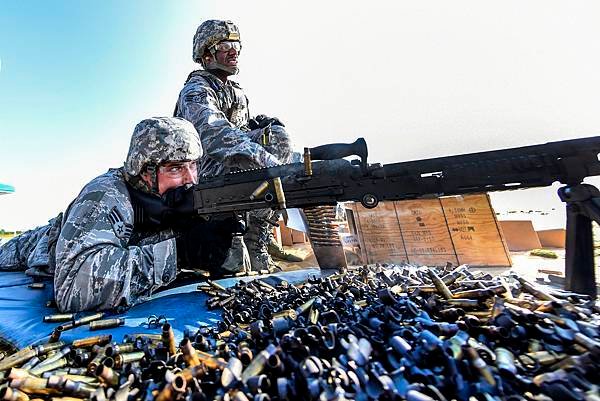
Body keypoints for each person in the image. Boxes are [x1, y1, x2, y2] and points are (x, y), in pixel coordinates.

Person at [0, 117, 243, 312]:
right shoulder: (105, 194)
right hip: (41, 245)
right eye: (176, 168)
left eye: (193, 165)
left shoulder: (175, 195)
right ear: (146, 172)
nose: (190, 179)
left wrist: (220, 238)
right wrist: (180, 253)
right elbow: (73, 288)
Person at [174, 19, 303, 272]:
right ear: (206, 54)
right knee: (232, 267)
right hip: (204, 176)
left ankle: (256, 237)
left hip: (233, 172)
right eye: (225, 45)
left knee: (278, 137)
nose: (234, 51)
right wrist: (274, 166)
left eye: (237, 45)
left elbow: (239, 133)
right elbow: (215, 135)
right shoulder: (196, 90)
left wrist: (258, 130)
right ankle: (242, 241)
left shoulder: (234, 91)